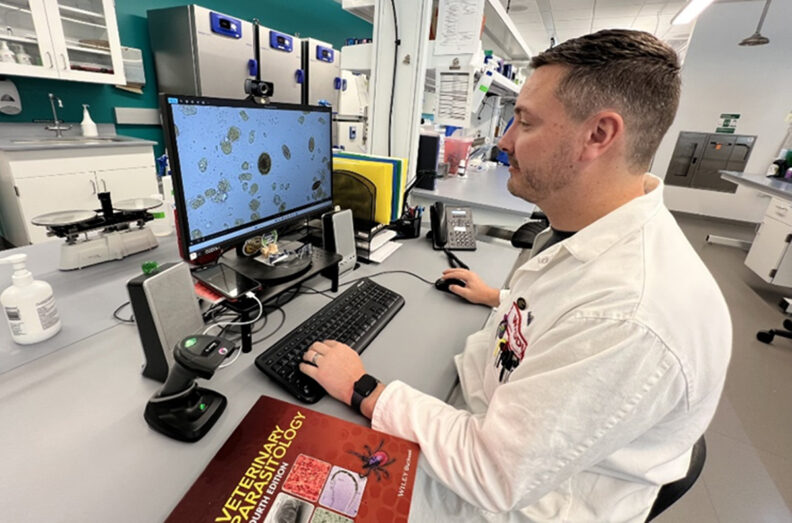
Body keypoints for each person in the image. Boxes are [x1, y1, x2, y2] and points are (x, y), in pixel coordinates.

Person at [299, 29, 732, 521]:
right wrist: (501, 298)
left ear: (599, 135)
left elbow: (491, 472)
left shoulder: (628, 316)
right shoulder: (590, 229)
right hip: (503, 433)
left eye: (524, 122)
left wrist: (363, 388)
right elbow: (568, 309)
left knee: (302, 477)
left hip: (517, 499)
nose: (504, 141)